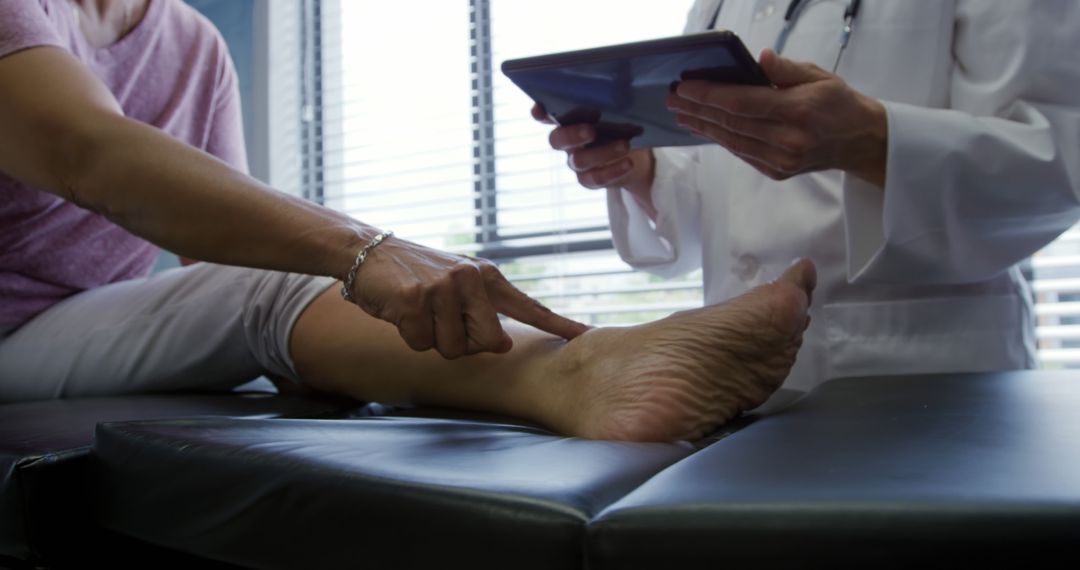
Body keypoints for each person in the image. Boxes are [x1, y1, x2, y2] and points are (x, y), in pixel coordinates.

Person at [0, 0, 817, 442]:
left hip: (82, 330)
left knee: (279, 285)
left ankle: (592, 357)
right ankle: (575, 375)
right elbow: (86, 151)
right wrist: (366, 251)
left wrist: (305, 342)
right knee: (280, 284)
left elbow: (209, 243)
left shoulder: (195, 44)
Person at [538, 0, 1080, 394]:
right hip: (734, 381)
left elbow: (1057, 159)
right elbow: (731, 202)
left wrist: (872, 140)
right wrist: (644, 170)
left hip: (920, 378)